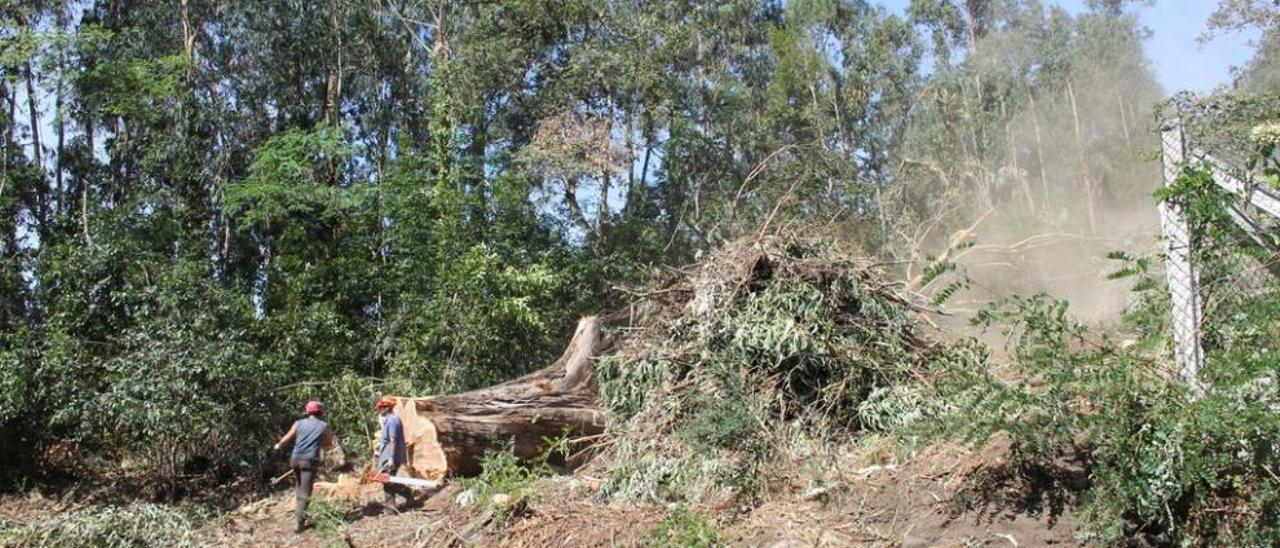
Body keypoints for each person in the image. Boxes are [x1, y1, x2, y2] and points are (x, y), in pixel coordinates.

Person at [274, 400, 335, 533]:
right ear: (321, 412)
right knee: (306, 491)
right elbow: (329, 443)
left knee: (299, 487)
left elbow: (286, 439)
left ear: (307, 412)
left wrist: (278, 446)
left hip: (295, 459)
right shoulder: (324, 426)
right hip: (309, 461)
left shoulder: (298, 423)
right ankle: (299, 523)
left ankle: (298, 514)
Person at [375, 395, 411, 508]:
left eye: (380, 408)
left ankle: (392, 506)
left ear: (386, 408)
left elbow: (393, 440)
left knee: (387, 481)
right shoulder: (388, 420)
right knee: (387, 480)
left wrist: (391, 458)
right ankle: (407, 494)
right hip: (387, 455)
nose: (379, 410)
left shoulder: (392, 420)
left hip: (392, 456)